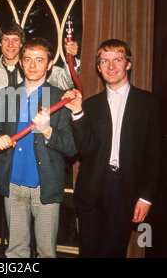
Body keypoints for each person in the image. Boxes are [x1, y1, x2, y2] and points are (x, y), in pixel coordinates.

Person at [62, 39, 162, 258]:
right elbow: (85, 150)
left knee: (113, 252)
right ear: (98, 68)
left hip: (126, 190)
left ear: (128, 64)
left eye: (117, 60)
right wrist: (77, 113)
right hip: (92, 188)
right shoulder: (90, 105)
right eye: (105, 62)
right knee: (89, 252)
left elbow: (156, 155)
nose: (111, 67)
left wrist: (146, 197)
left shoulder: (149, 103)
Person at [0, 38, 77, 258]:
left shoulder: (59, 98)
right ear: (21, 63)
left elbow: (71, 147)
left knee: (46, 251)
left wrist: (47, 131)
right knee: (15, 251)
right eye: (27, 59)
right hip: (12, 183)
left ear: (49, 64)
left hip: (45, 186)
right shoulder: (7, 94)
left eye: (39, 60)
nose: (33, 65)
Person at [0, 21, 81, 100]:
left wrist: (70, 57)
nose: (10, 45)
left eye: (15, 40)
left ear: (21, 43)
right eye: (6, 40)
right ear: (0, 43)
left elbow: (66, 81)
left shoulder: (34, 67)